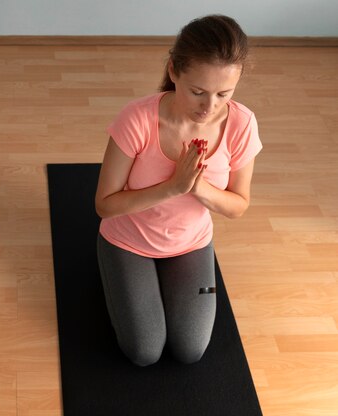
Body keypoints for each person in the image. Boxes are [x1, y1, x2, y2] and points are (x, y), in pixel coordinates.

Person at [94, 15, 262, 366]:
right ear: (174, 71)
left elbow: (238, 206)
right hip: (127, 241)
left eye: (223, 94)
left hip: (192, 244)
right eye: (197, 91)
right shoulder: (136, 119)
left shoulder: (242, 123)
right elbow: (105, 206)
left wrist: (199, 187)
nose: (209, 106)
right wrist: (173, 187)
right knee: (144, 351)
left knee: (191, 350)